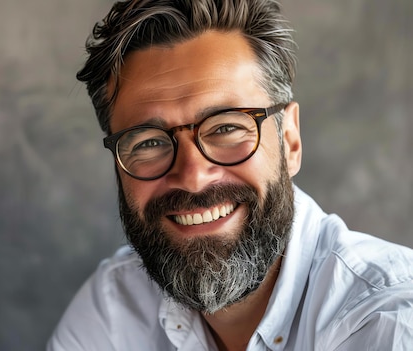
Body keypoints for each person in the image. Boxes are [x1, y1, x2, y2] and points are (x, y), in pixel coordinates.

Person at [48, 0, 413, 350]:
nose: (193, 177)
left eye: (225, 128)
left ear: (290, 141)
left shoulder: (388, 322)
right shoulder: (114, 309)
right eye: (148, 142)